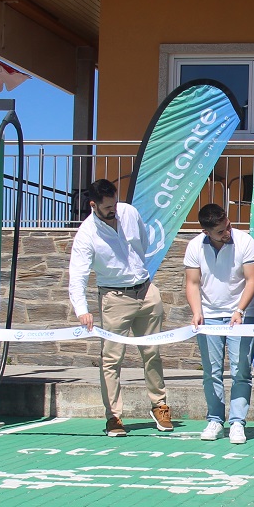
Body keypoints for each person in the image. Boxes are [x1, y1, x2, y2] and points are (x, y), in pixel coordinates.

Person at [67, 178, 173, 437]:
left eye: (115, 203)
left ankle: (159, 405)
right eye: (107, 207)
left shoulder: (130, 213)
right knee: (111, 359)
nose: (113, 209)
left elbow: (143, 244)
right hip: (114, 298)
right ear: (93, 205)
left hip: (146, 291)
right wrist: (82, 309)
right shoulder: (86, 234)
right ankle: (113, 416)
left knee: (152, 352)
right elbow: (77, 275)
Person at [183, 203, 254, 444]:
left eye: (227, 226)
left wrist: (239, 310)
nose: (227, 233)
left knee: (241, 371)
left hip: (242, 316)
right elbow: (193, 283)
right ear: (206, 232)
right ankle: (215, 420)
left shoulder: (246, 242)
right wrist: (197, 312)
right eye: (220, 232)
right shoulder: (194, 246)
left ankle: (237, 423)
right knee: (211, 372)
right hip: (210, 317)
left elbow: (251, 279)